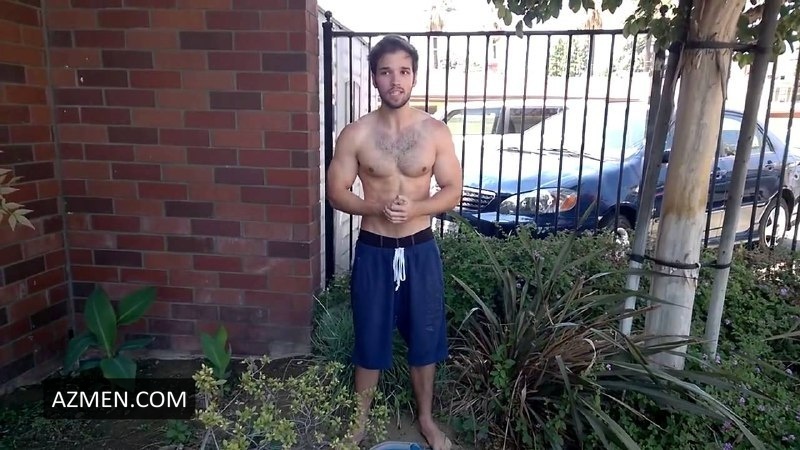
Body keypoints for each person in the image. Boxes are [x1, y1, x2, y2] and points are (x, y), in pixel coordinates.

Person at [325, 35, 463, 450]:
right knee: (369, 337)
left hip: (420, 250)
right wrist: (375, 207)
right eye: (386, 72)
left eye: (403, 71)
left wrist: (417, 207)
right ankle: (358, 422)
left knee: (425, 338)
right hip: (375, 250)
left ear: (414, 77)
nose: (395, 80)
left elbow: (453, 190)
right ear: (374, 77)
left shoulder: (434, 132)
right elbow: (335, 192)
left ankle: (426, 419)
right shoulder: (356, 134)